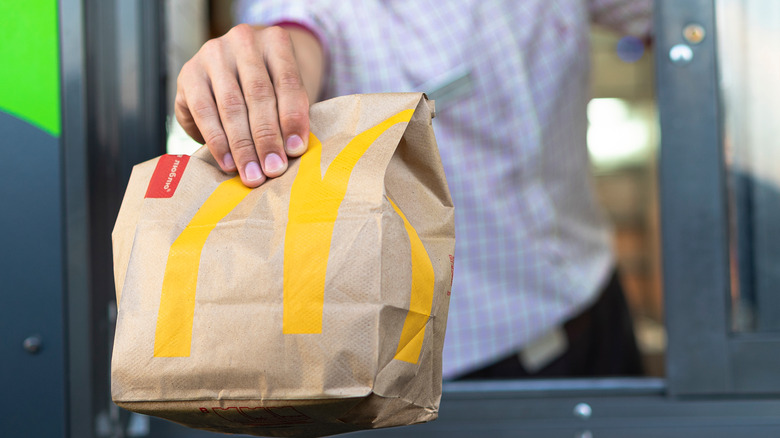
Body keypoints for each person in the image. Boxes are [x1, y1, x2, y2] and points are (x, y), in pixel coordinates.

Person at [174, 0, 651, 380]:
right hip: (460, 371)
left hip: (598, 304)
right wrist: (254, 64)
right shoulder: (325, 10)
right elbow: (288, 42)